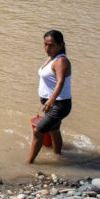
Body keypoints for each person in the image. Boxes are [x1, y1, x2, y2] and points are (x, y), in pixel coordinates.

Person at [27, 30, 72, 163]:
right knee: (54, 129)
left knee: (37, 132)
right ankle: (58, 156)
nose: (48, 48)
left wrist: (51, 100)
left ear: (61, 45)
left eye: (51, 45)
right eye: (45, 44)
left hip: (59, 104)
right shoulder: (51, 58)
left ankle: (29, 163)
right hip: (52, 103)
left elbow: (60, 82)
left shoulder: (61, 61)